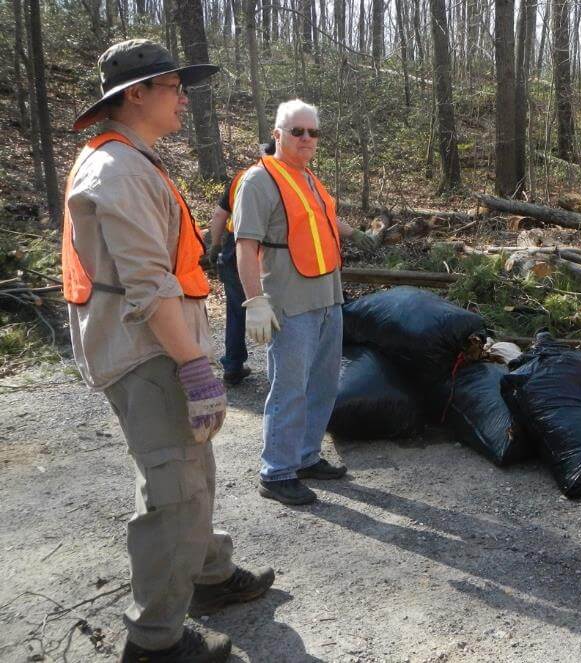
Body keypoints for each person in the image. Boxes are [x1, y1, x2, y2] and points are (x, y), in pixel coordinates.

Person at [64, 40, 274, 662]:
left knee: (186, 469)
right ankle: (155, 641)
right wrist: (193, 366)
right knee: (174, 488)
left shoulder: (132, 160)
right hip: (151, 353)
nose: (185, 97)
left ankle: (206, 575)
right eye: (173, 87)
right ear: (136, 94)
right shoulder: (119, 170)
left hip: (159, 348)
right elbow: (147, 285)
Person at [233, 99, 377, 506]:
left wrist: (362, 235)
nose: (307, 139)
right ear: (277, 134)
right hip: (288, 301)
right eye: (297, 131)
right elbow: (245, 247)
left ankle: (305, 456)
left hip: (328, 296)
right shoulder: (258, 181)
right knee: (289, 388)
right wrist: (255, 302)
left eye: (313, 132)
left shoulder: (310, 178)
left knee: (324, 383)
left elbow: (326, 223)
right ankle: (276, 472)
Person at [207, 140, 276, 386]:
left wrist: (215, 247)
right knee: (278, 308)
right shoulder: (285, 180)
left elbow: (218, 216)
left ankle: (233, 365)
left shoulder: (242, 178)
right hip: (271, 251)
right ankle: (282, 369)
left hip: (234, 248)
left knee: (237, 309)